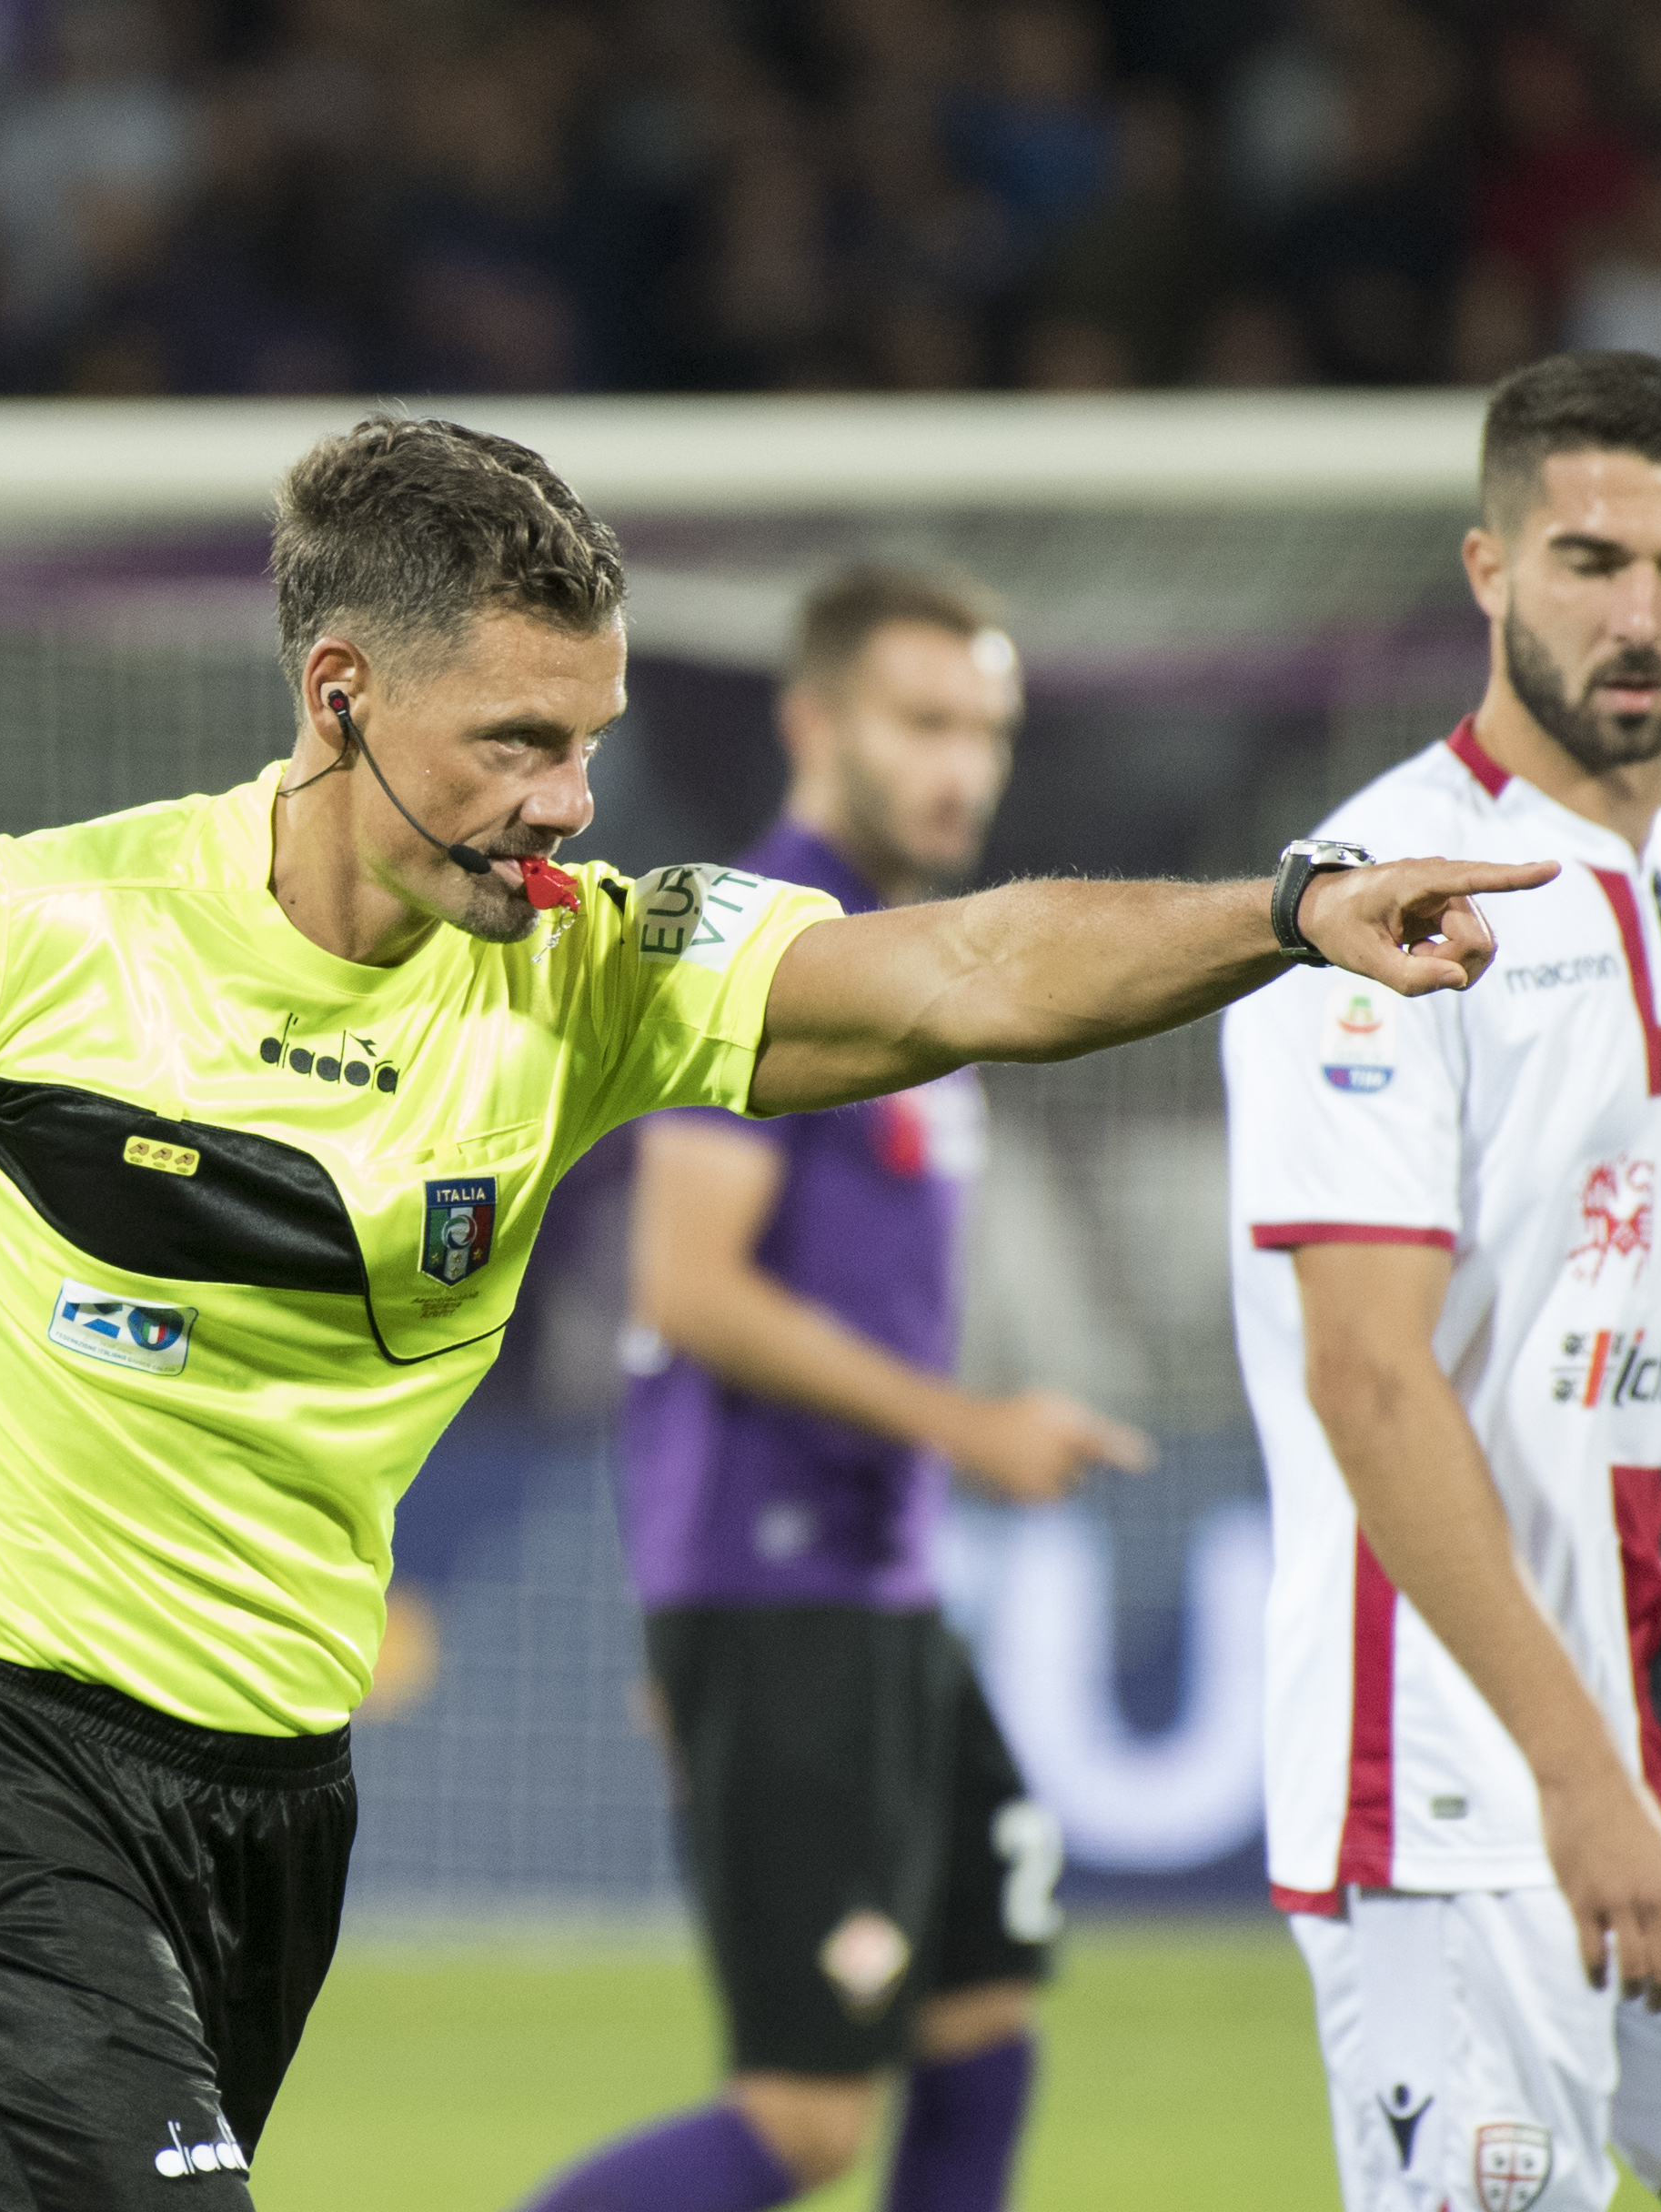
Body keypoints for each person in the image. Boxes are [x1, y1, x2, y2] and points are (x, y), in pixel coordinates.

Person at [0, 412, 1545, 2211]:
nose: (571, 800)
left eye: (589, 740)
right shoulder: (8, 937)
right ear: (338, 694)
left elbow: (972, 973)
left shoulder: (588, 972)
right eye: (516, 742)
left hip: (275, 1804)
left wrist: (1285, 914)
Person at [1223, 349, 1661, 2212]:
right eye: (1590, 558)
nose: (1639, 611)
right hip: (1459, 1777)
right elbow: (1371, 1380)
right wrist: (1580, 1779)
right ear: (1489, 569)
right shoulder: (1380, 900)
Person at [528, 567, 1151, 2212]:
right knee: (807, 2119)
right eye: (926, 723)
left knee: (982, 2003)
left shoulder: (907, 963)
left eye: (990, 731)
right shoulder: (763, 952)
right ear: (816, 724)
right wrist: (974, 1433)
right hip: (774, 1577)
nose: (965, 768)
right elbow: (688, 1288)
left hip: (875, 1582)